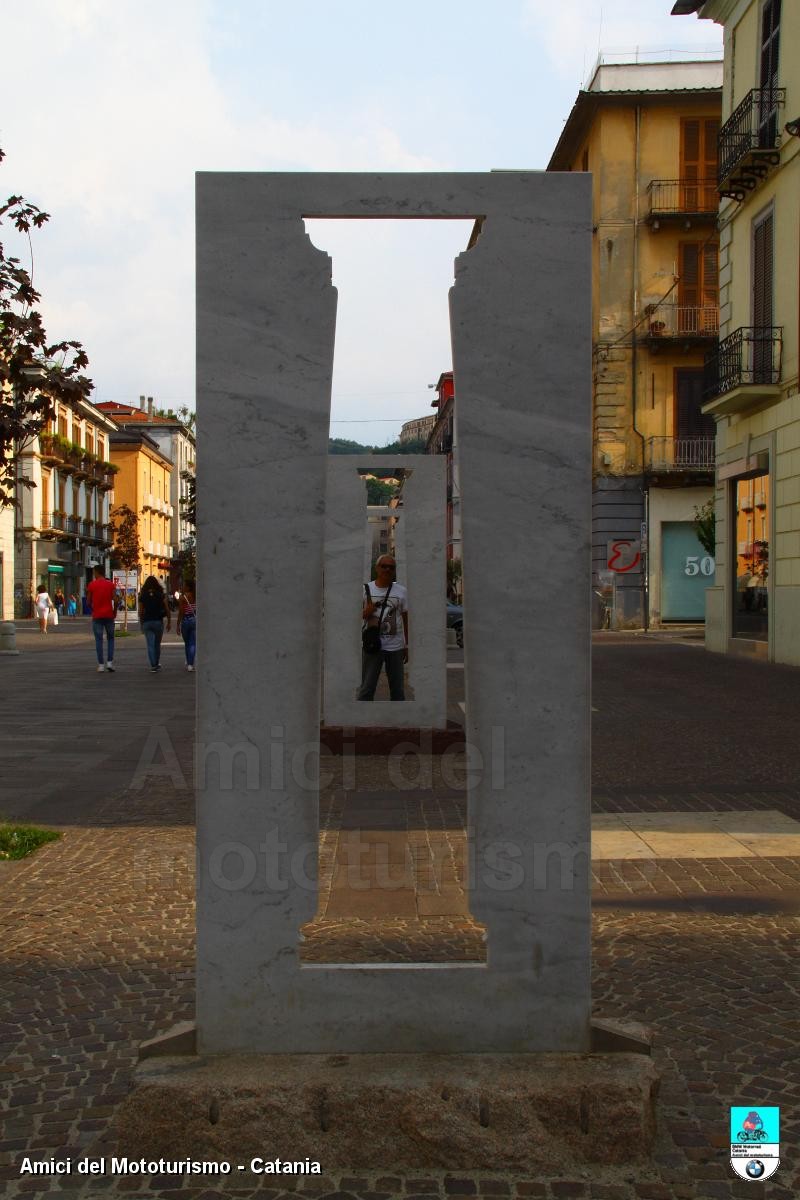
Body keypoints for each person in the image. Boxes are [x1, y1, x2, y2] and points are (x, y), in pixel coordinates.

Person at [357, 555, 409, 702]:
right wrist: (367, 611)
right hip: (372, 646)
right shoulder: (365, 589)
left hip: (396, 646)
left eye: (391, 567)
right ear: (377, 568)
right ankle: (364, 721)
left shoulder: (401, 591)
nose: (387, 569)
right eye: (384, 566)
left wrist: (407, 644)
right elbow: (354, 618)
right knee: (367, 688)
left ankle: (398, 721)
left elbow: (406, 619)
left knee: (398, 690)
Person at [86, 565, 119, 672]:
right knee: (111, 638)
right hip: (109, 616)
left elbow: (88, 601)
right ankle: (109, 662)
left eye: (94, 572)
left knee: (99, 640)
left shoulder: (92, 585)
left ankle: (101, 665)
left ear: (97, 572)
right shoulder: (110, 585)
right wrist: (114, 611)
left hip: (97, 616)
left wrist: (93, 609)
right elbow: (116, 600)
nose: (94, 575)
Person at [138, 575, 171, 672]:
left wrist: (141, 623)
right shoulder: (160, 595)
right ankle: (156, 662)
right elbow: (167, 609)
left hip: (147, 622)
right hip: (158, 622)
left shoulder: (143, 595)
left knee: (150, 644)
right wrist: (169, 622)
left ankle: (153, 665)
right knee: (157, 644)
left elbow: (141, 611)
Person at [177, 585, 197, 672]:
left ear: (188, 587)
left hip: (185, 620)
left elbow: (181, 611)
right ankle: (190, 664)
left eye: (185, 585)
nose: (183, 587)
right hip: (194, 620)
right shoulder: (196, 595)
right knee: (192, 643)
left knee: (187, 643)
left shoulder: (183, 597)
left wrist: (178, 624)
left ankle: (188, 661)